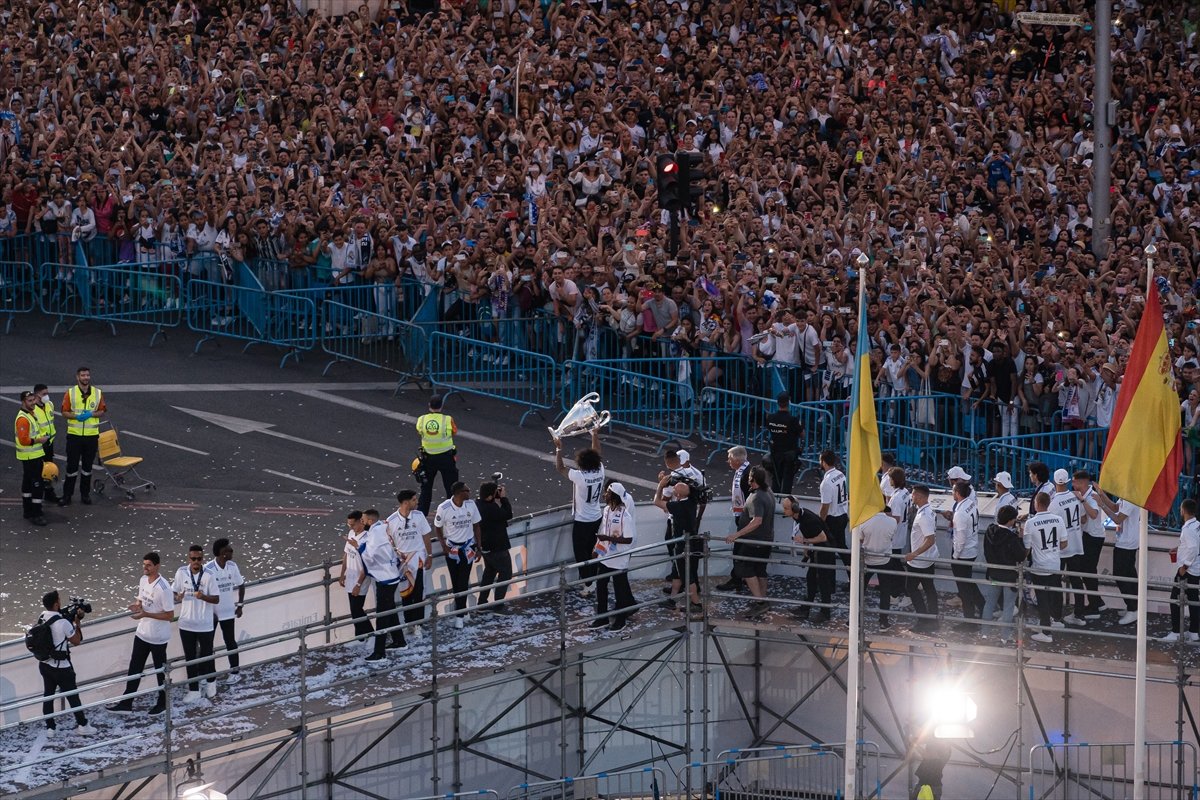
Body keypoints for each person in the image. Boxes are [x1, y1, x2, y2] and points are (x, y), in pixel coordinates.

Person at [109, 552, 175, 715]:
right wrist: (137, 605)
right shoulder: (143, 580)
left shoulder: (164, 588)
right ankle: (127, 702)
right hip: (142, 633)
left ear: (157, 566)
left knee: (160, 670)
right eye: (144, 564)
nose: (145, 568)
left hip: (158, 637)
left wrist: (146, 614)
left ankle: (163, 703)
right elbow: (141, 600)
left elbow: (169, 615)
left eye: (149, 565)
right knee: (134, 668)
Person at [37, 590, 95, 736]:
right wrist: (77, 622)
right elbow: (76, 641)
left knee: (48, 696)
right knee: (73, 696)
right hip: (62, 667)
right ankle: (83, 725)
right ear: (56, 604)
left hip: (45, 664)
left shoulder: (42, 616)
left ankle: (50, 728)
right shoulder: (63, 623)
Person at [554, 429, 604, 593]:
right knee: (592, 550)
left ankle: (588, 584)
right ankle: (593, 579)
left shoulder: (579, 476)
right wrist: (595, 435)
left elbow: (560, 468)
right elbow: (597, 452)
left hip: (583, 520)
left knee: (580, 553)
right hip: (596, 516)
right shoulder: (600, 469)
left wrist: (559, 449)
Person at [359, 507, 408, 663]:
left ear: (370, 521)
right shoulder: (382, 528)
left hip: (385, 579)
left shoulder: (375, 534)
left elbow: (369, 556)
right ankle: (399, 640)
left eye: (364, 520)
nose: (362, 522)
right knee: (390, 609)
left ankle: (379, 653)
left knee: (382, 615)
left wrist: (357, 546)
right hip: (391, 575)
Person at [725, 466, 775, 617]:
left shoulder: (756, 497)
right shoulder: (769, 492)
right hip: (766, 540)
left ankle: (760, 602)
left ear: (752, 480)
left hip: (754, 541)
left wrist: (737, 534)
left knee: (745, 569)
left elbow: (757, 520)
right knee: (760, 570)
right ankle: (762, 600)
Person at [172, 545, 219, 702]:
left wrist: (203, 597)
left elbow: (216, 598)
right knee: (190, 657)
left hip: (205, 623)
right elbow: (174, 592)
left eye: (199, 559)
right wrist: (178, 597)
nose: (196, 562)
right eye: (193, 559)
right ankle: (194, 690)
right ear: (188, 558)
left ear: (202, 559)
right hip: (186, 623)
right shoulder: (181, 572)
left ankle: (211, 683)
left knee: (207, 655)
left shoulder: (209, 575)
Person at [434, 482, 482, 627]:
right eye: (467, 490)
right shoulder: (444, 508)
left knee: (463, 580)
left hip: (468, 548)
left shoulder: (471, 505)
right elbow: (437, 528)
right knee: (456, 582)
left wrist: (479, 547)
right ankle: (462, 610)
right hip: (452, 549)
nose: (470, 492)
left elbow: (476, 526)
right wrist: (444, 546)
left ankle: (460, 616)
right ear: (460, 493)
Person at [1023, 492, 1068, 643]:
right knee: (1054, 593)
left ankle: (1046, 631)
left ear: (1037, 503)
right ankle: (1055, 620)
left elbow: (1027, 548)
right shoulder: (1059, 520)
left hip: (1040, 566)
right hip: (1055, 563)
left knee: (1042, 597)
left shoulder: (1031, 523)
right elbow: (1063, 543)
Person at [387, 490, 434, 635]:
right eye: (414, 500)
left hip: (418, 559)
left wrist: (430, 555)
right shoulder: (391, 520)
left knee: (419, 592)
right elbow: (389, 542)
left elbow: (426, 535)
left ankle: (418, 624)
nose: (417, 502)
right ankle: (409, 623)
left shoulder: (419, 516)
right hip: (404, 563)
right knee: (406, 594)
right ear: (406, 502)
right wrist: (396, 554)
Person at [592, 482, 638, 631]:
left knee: (620, 590)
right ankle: (602, 617)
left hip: (619, 557)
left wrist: (608, 538)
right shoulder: (606, 510)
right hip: (606, 554)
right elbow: (604, 530)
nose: (605, 495)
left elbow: (629, 539)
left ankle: (620, 619)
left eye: (608, 493)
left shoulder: (626, 515)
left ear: (614, 496)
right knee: (600, 585)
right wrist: (597, 548)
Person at [654, 471, 701, 611]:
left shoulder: (678, 507)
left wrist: (661, 486)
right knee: (677, 573)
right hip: (687, 543)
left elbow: (656, 502)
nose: (673, 491)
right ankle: (673, 600)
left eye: (675, 490)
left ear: (679, 495)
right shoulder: (692, 501)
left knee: (687, 576)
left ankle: (696, 604)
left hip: (683, 546)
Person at [1093, 488, 1141, 626]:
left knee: (1121, 575)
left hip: (1127, 543)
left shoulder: (1131, 497)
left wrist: (1101, 504)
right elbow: (1115, 507)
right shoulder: (1126, 495)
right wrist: (1102, 495)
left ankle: (1133, 608)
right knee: (1129, 575)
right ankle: (1133, 606)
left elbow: (1117, 518)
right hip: (1125, 541)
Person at [59, 366, 105, 507]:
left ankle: (85, 494)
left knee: (87, 468)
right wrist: (76, 416)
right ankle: (67, 495)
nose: (86, 378)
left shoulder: (97, 393)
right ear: (77, 377)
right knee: (71, 468)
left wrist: (90, 414)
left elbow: (102, 410)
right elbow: (64, 412)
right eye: (83, 375)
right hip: (74, 436)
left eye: (87, 375)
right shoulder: (70, 393)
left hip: (91, 436)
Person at [1048, 470, 1087, 627]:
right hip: (1076, 544)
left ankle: (1056, 617)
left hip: (1061, 548)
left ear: (1055, 481)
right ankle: (1079, 615)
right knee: (1077, 581)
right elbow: (1083, 518)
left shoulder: (1054, 504)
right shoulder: (1076, 497)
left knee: (1056, 582)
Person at [785, 496, 833, 622]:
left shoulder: (808, 520)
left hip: (824, 552)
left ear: (794, 508)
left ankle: (825, 612)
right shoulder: (801, 517)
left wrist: (804, 541)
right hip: (817, 551)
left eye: (786, 508)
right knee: (811, 579)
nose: (784, 511)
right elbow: (809, 534)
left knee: (823, 583)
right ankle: (805, 609)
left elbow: (823, 537)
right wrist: (806, 550)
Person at [981, 506, 1025, 643]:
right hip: (1010, 578)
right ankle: (1004, 637)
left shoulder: (989, 531)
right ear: (1011, 521)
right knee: (1009, 606)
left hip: (994, 576)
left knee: (990, 603)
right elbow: (1021, 555)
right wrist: (1021, 539)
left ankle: (984, 633)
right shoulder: (1011, 537)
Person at [205, 538, 246, 682]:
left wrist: (240, 606)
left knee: (230, 642)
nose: (232, 552)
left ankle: (235, 672)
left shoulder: (232, 566)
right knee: (207, 645)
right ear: (222, 553)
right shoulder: (208, 569)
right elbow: (202, 591)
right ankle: (211, 675)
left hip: (228, 612)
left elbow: (241, 585)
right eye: (229, 550)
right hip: (212, 614)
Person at [716, 446, 752, 593]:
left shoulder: (746, 474)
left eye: (730, 458)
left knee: (740, 551)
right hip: (743, 516)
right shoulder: (743, 470)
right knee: (741, 550)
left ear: (737, 460)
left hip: (746, 519)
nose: (728, 461)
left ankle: (738, 579)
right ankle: (740, 578)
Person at [1163, 499, 1200, 643]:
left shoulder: (1188, 529)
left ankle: (1176, 632)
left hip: (1188, 570)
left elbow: (1192, 548)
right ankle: (1193, 632)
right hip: (1195, 569)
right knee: (1193, 600)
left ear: (1183, 510)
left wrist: (1184, 567)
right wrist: (1177, 549)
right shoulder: (1197, 526)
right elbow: (1192, 545)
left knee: (1174, 599)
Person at [416, 395, 458, 516]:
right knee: (451, 487)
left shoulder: (422, 419)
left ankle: (421, 514)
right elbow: (454, 431)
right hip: (446, 458)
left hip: (428, 458)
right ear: (441, 406)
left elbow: (419, 431)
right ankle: (452, 513)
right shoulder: (448, 419)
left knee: (426, 488)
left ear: (429, 405)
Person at [948, 482, 984, 624]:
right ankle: (981, 605)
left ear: (957, 493)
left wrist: (955, 556)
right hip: (971, 549)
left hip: (963, 553)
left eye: (953, 491)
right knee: (968, 582)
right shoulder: (971, 504)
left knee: (963, 587)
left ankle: (969, 619)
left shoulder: (961, 512)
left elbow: (961, 538)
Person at [858, 509, 901, 630]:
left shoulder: (864, 521)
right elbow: (892, 536)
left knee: (860, 590)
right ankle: (883, 621)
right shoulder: (892, 522)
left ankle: (853, 619)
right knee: (885, 592)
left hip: (867, 560)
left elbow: (860, 539)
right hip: (885, 560)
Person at [905, 486, 940, 633]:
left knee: (911, 588)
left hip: (920, 560)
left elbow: (930, 539)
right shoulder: (928, 511)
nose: (911, 497)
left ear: (919, 496)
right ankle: (932, 619)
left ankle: (924, 619)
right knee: (929, 588)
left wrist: (915, 553)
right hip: (928, 558)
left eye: (913, 494)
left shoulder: (924, 516)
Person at [476, 480, 515, 613]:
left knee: (489, 573)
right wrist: (503, 499)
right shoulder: (491, 508)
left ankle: (481, 604)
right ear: (490, 496)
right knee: (506, 574)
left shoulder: (478, 505)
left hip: (486, 547)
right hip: (498, 547)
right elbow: (508, 514)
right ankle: (499, 605)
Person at [1073, 470, 1106, 620]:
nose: (1073, 485)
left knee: (1088, 570)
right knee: (1086, 570)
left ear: (1082, 482)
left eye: (1074, 482)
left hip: (1094, 537)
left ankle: (1095, 605)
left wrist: (1082, 501)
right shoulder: (1085, 496)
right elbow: (1085, 519)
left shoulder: (1091, 496)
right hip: (1087, 535)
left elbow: (1094, 514)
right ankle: (1097, 601)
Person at [15, 390, 49, 526]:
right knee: (37, 485)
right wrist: (39, 440)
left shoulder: (30, 414)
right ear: (23, 402)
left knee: (28, 483)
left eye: (33, 400)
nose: (33, 403)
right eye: (29, 401)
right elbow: (24, 440)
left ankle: (28, 510)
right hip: (30, 456)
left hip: (31, 455)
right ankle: (36, 513)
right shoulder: (23, 418)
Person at [340, 510, 374, 641]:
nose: (351, 527)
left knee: (357, 609)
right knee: (354, 610)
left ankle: (370, 634)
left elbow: (367, 564)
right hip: (350, 576)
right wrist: (342, 574)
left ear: (361, 521)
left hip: (361, 579)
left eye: (352, 524)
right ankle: (360, 637)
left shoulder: (367, 538)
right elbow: (346, 554)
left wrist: (359, 584)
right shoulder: (351, 533)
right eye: (349, 525)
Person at [818, 450, 850, 574]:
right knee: (841, 547)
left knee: (828, 550)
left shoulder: (826, 483)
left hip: (833, 519)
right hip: (843, 515)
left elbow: (825, 507)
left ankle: (829, 579)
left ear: (824, 462)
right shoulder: (841, 474)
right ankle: (852, 575)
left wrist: (820, 522)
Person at [765, 392, 802, 494]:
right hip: (789, 454)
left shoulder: (770, 418)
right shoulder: (793, 420)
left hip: (775, 453)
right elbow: (802, 434)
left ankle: (774, 501)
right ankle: (785, 503)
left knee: (775, 478)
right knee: (787, 480)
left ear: (777, 403)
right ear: (788, 403)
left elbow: (769, 428)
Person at [32, 383, 58, 504]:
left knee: (49, 470)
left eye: (47, 393)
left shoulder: (49, 405)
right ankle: (38, 494)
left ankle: (49, 492)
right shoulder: (33, 410)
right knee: (38, 472)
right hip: (39, 445)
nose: (46, 396)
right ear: (37, 395)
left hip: (49, 443)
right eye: (44, 394)